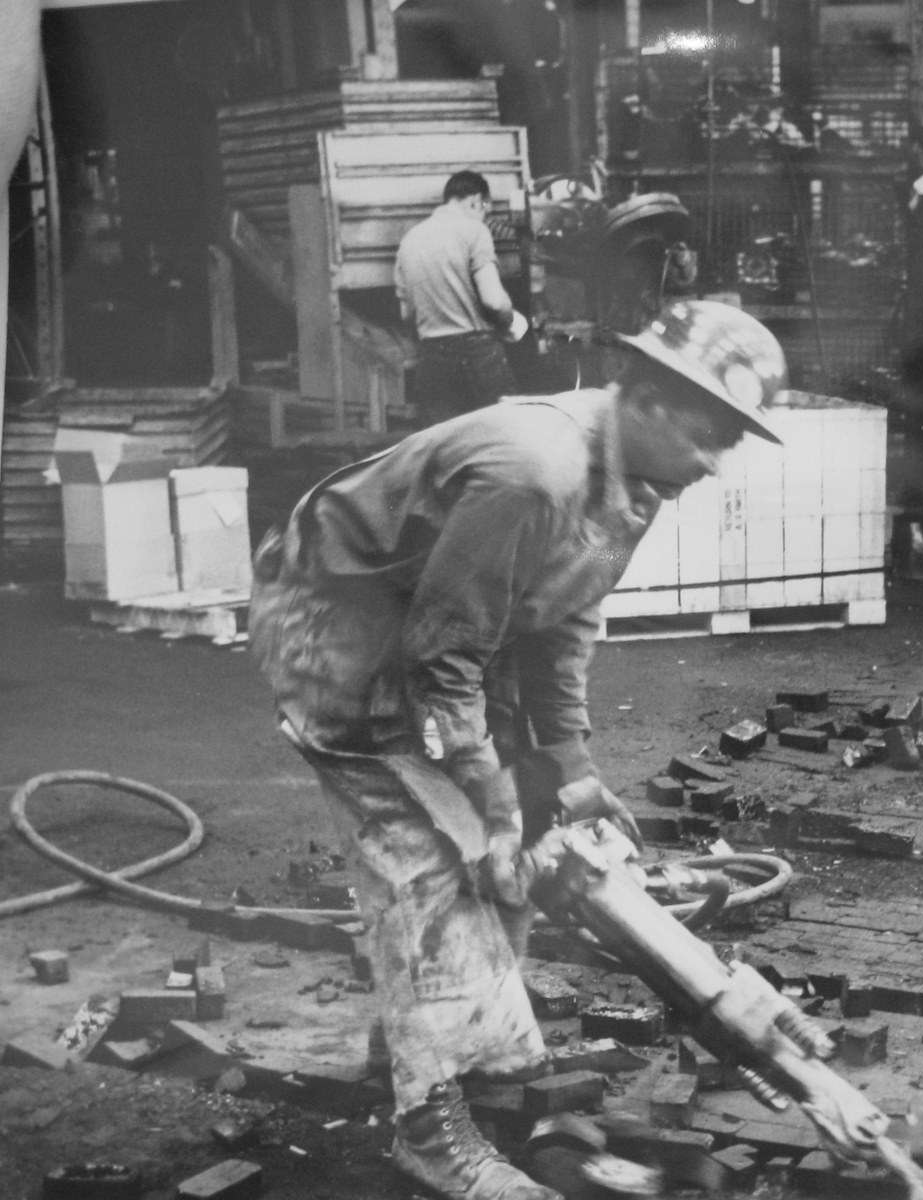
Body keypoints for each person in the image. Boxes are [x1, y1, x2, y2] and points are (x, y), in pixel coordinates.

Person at [249, 300, 787, 1200]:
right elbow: (442, 656)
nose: (716, 463)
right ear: (648, 401)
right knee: (434, 850)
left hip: (437, 625)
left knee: (527, 840)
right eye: (710, 437)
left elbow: (562, 620)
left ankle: (439, 1043)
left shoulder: (636, 483)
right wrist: (485, 791)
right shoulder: (535, 471)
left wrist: (565, 769)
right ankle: (429, 1130)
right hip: (335, 623)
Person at [395, 169, 530, 426]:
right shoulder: (474, 231)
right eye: (485, 210)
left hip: (432, 362)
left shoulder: (409, 241)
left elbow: (407, 315)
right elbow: (494, 301)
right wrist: (512, 322)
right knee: (501, 437)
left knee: (444, 450)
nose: (485, 217)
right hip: (478, 357)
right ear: (475, 201)